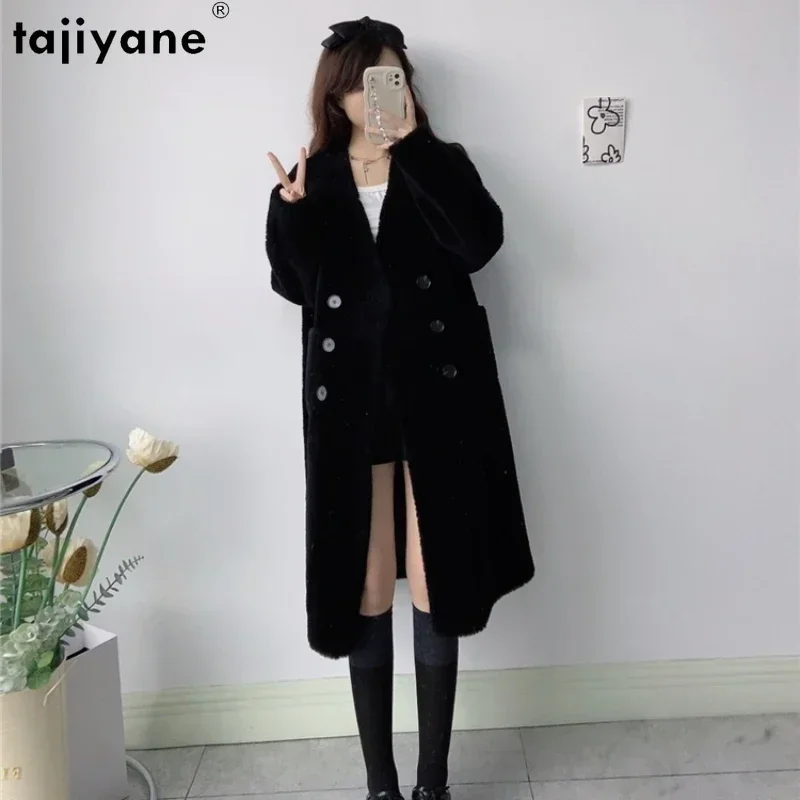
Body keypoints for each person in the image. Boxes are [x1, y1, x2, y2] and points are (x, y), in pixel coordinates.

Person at [265, 16, 535, 800]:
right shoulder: (313, 174)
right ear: (335, 93)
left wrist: (413, 148)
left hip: (439, 398)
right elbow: (294, 287)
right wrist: (290, 212)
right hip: (352, 403)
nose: (373, 94)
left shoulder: (439, 161)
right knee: (367, 586)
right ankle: (382, 785)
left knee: (439, 580)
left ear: (405, 86)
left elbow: (480, 244)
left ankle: (432, 783)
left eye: (388, 77)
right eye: (358, 81)